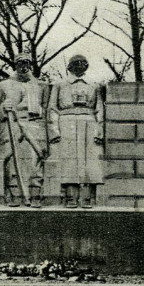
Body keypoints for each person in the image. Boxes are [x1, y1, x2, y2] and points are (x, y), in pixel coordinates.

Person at [0, 53, 53, 208]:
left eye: (26, 63)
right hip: (12, 125)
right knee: (12, 162)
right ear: (15, 65)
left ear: (31, 65)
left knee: (35, 161)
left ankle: (35, 195)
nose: (23, 66)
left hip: (34, 125)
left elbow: (47, 109)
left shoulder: (42, 85)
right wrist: (3, 108)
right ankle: (15, 195)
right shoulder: (3, 85)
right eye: (20, 63)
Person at [48, 54, 105, 208]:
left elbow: (99, 108)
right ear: (70, 66)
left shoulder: (94, 85)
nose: (79, 66)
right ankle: (70, 197)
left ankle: (87, 197)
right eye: (76, 63)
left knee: (90, 161)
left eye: (83, 63)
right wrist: (54, 131)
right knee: (68, 160)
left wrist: (100, 131)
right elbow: (52, 108)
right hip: (67, 123)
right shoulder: (60, 84)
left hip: (89, 122)